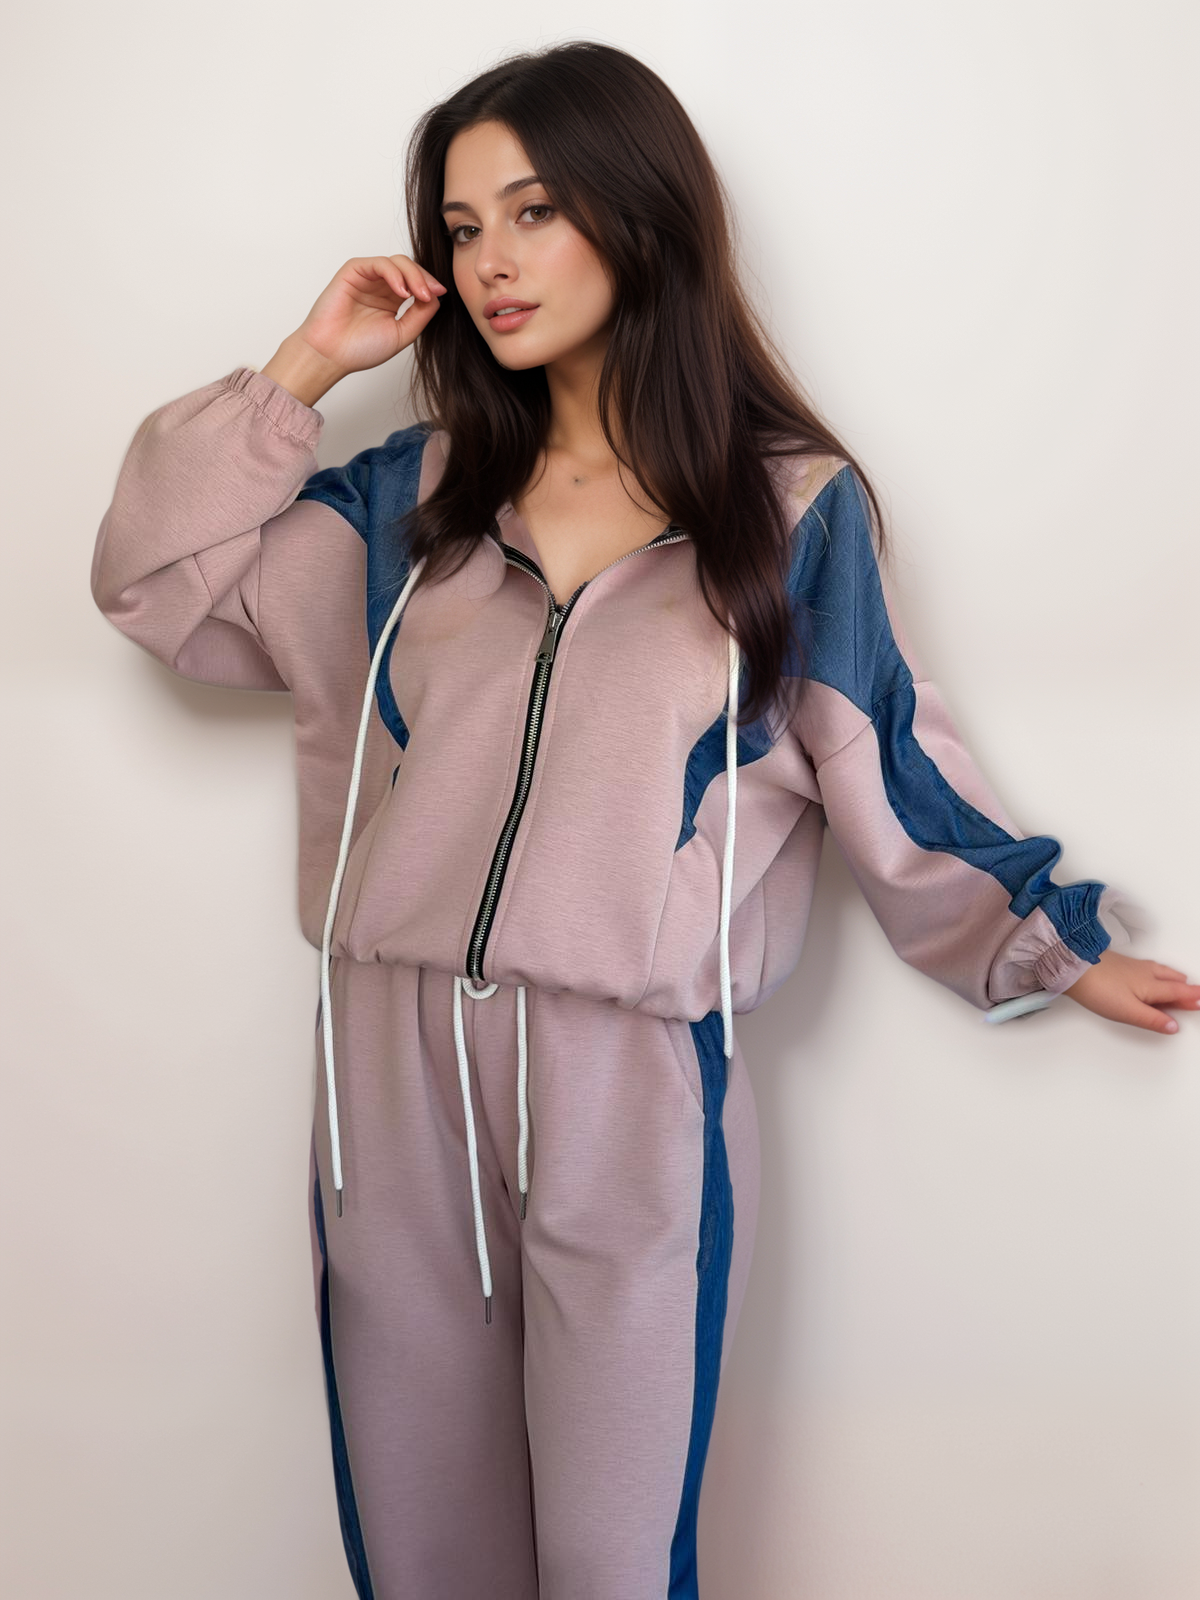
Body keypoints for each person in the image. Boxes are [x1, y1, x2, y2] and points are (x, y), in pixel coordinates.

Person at [88, 38, 1197, 1600]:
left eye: (534, 212)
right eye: (462, 226)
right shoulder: (408, 503)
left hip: (628, 1082)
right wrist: (301, 371)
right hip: (389, 1072)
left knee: (614, 1553)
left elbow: (883, 746)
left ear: (641, 213)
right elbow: (155, 583)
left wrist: (1052, 945)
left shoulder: (782, 511)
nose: (492, 261)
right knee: (420, 1544)